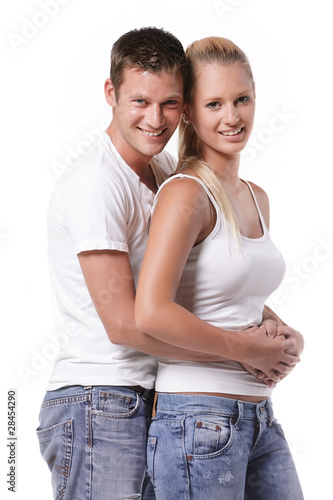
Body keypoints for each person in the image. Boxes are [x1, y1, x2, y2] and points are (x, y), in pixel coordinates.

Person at [135, 36, 304, 499]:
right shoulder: (185, 193)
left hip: (259, 417)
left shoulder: (256, 197)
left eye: (241, 99)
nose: (232, 117)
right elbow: (150, 311)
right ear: (189, 111)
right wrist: (245, 351)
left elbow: (233, 295)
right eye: (214, 104)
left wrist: (289, 334)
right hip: (196, 418)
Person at [36, 27, 193, 500]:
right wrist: (237, 354)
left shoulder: (164, 172)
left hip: (147, 395)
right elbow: (123, 325)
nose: (155, 119)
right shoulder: (97, 183)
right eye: (140, 101)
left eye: (169, 104)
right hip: (98, 398)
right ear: (111, 93)